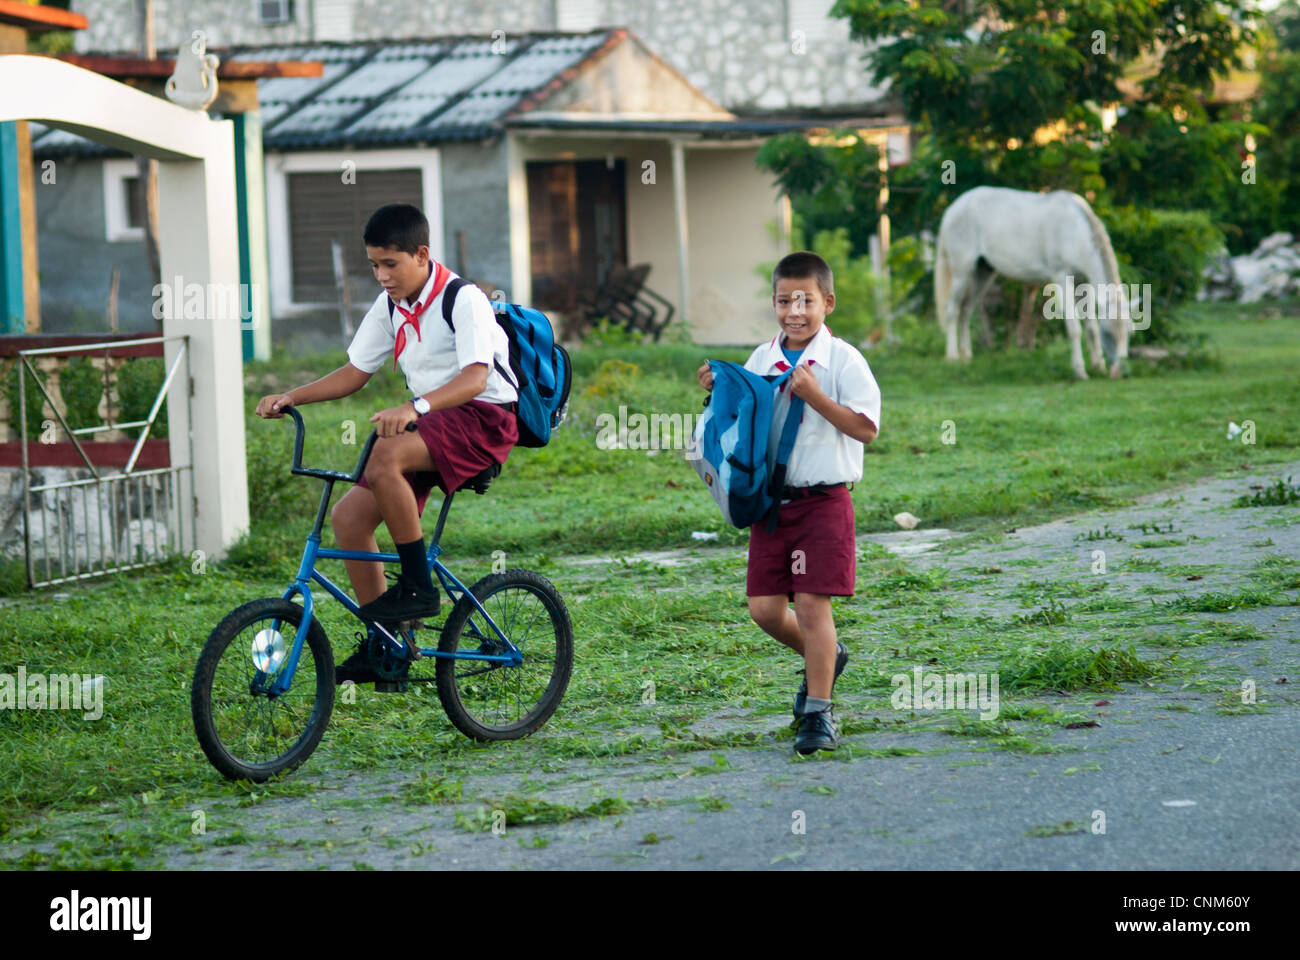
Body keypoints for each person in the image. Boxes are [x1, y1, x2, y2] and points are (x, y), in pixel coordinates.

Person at [255, 203, 518, 683]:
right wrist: (292, 396)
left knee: (386, 450)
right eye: (374, 265)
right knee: (348, 519)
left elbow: (477, 379)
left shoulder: (463, 299)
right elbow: (356, 372)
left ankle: (418, 587)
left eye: (390, 264)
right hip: (437, 422)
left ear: (421, 255)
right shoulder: (391, 305)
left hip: (484, 420)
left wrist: (413, 408)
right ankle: (389, 643)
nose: (381, 275)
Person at [696, 251, 880, 753]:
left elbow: (866, 428)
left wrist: (817, 397)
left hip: (823, 504)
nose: (794, 311)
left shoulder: (843, 360)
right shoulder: (763, 357)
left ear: (828, 303)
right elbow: (739, 421)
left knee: (814, 608)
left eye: (805, 301)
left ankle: (819, 715)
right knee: (764, 610)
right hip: (771, 505)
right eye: (783, 301)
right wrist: (717, 391)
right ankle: (827, 657)